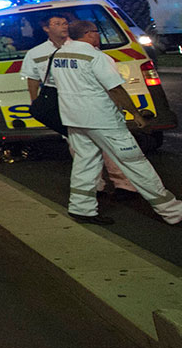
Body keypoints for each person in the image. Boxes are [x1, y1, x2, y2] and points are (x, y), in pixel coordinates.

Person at [51, 20, 182, 225]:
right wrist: (136, 114)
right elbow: (115, 89)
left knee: (85, 162)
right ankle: (173, 212)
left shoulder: (59, 55)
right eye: (96, 32)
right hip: (102, 119)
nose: (98, 35)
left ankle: (81, 208)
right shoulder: (96, 56)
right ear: (88, 34)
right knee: (135, 162)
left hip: (74, 119)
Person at [23, 13, 136, 194]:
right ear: (46, 28)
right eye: (57, 23)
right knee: (81, 150)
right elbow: (33, 78)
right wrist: (35, 101)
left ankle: (123, 186)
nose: (64, 26)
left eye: (65, 23)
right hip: (67, 106)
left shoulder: (84, 48)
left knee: (110, 147)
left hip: (94, 102)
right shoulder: (36, 53)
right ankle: (94, 187)